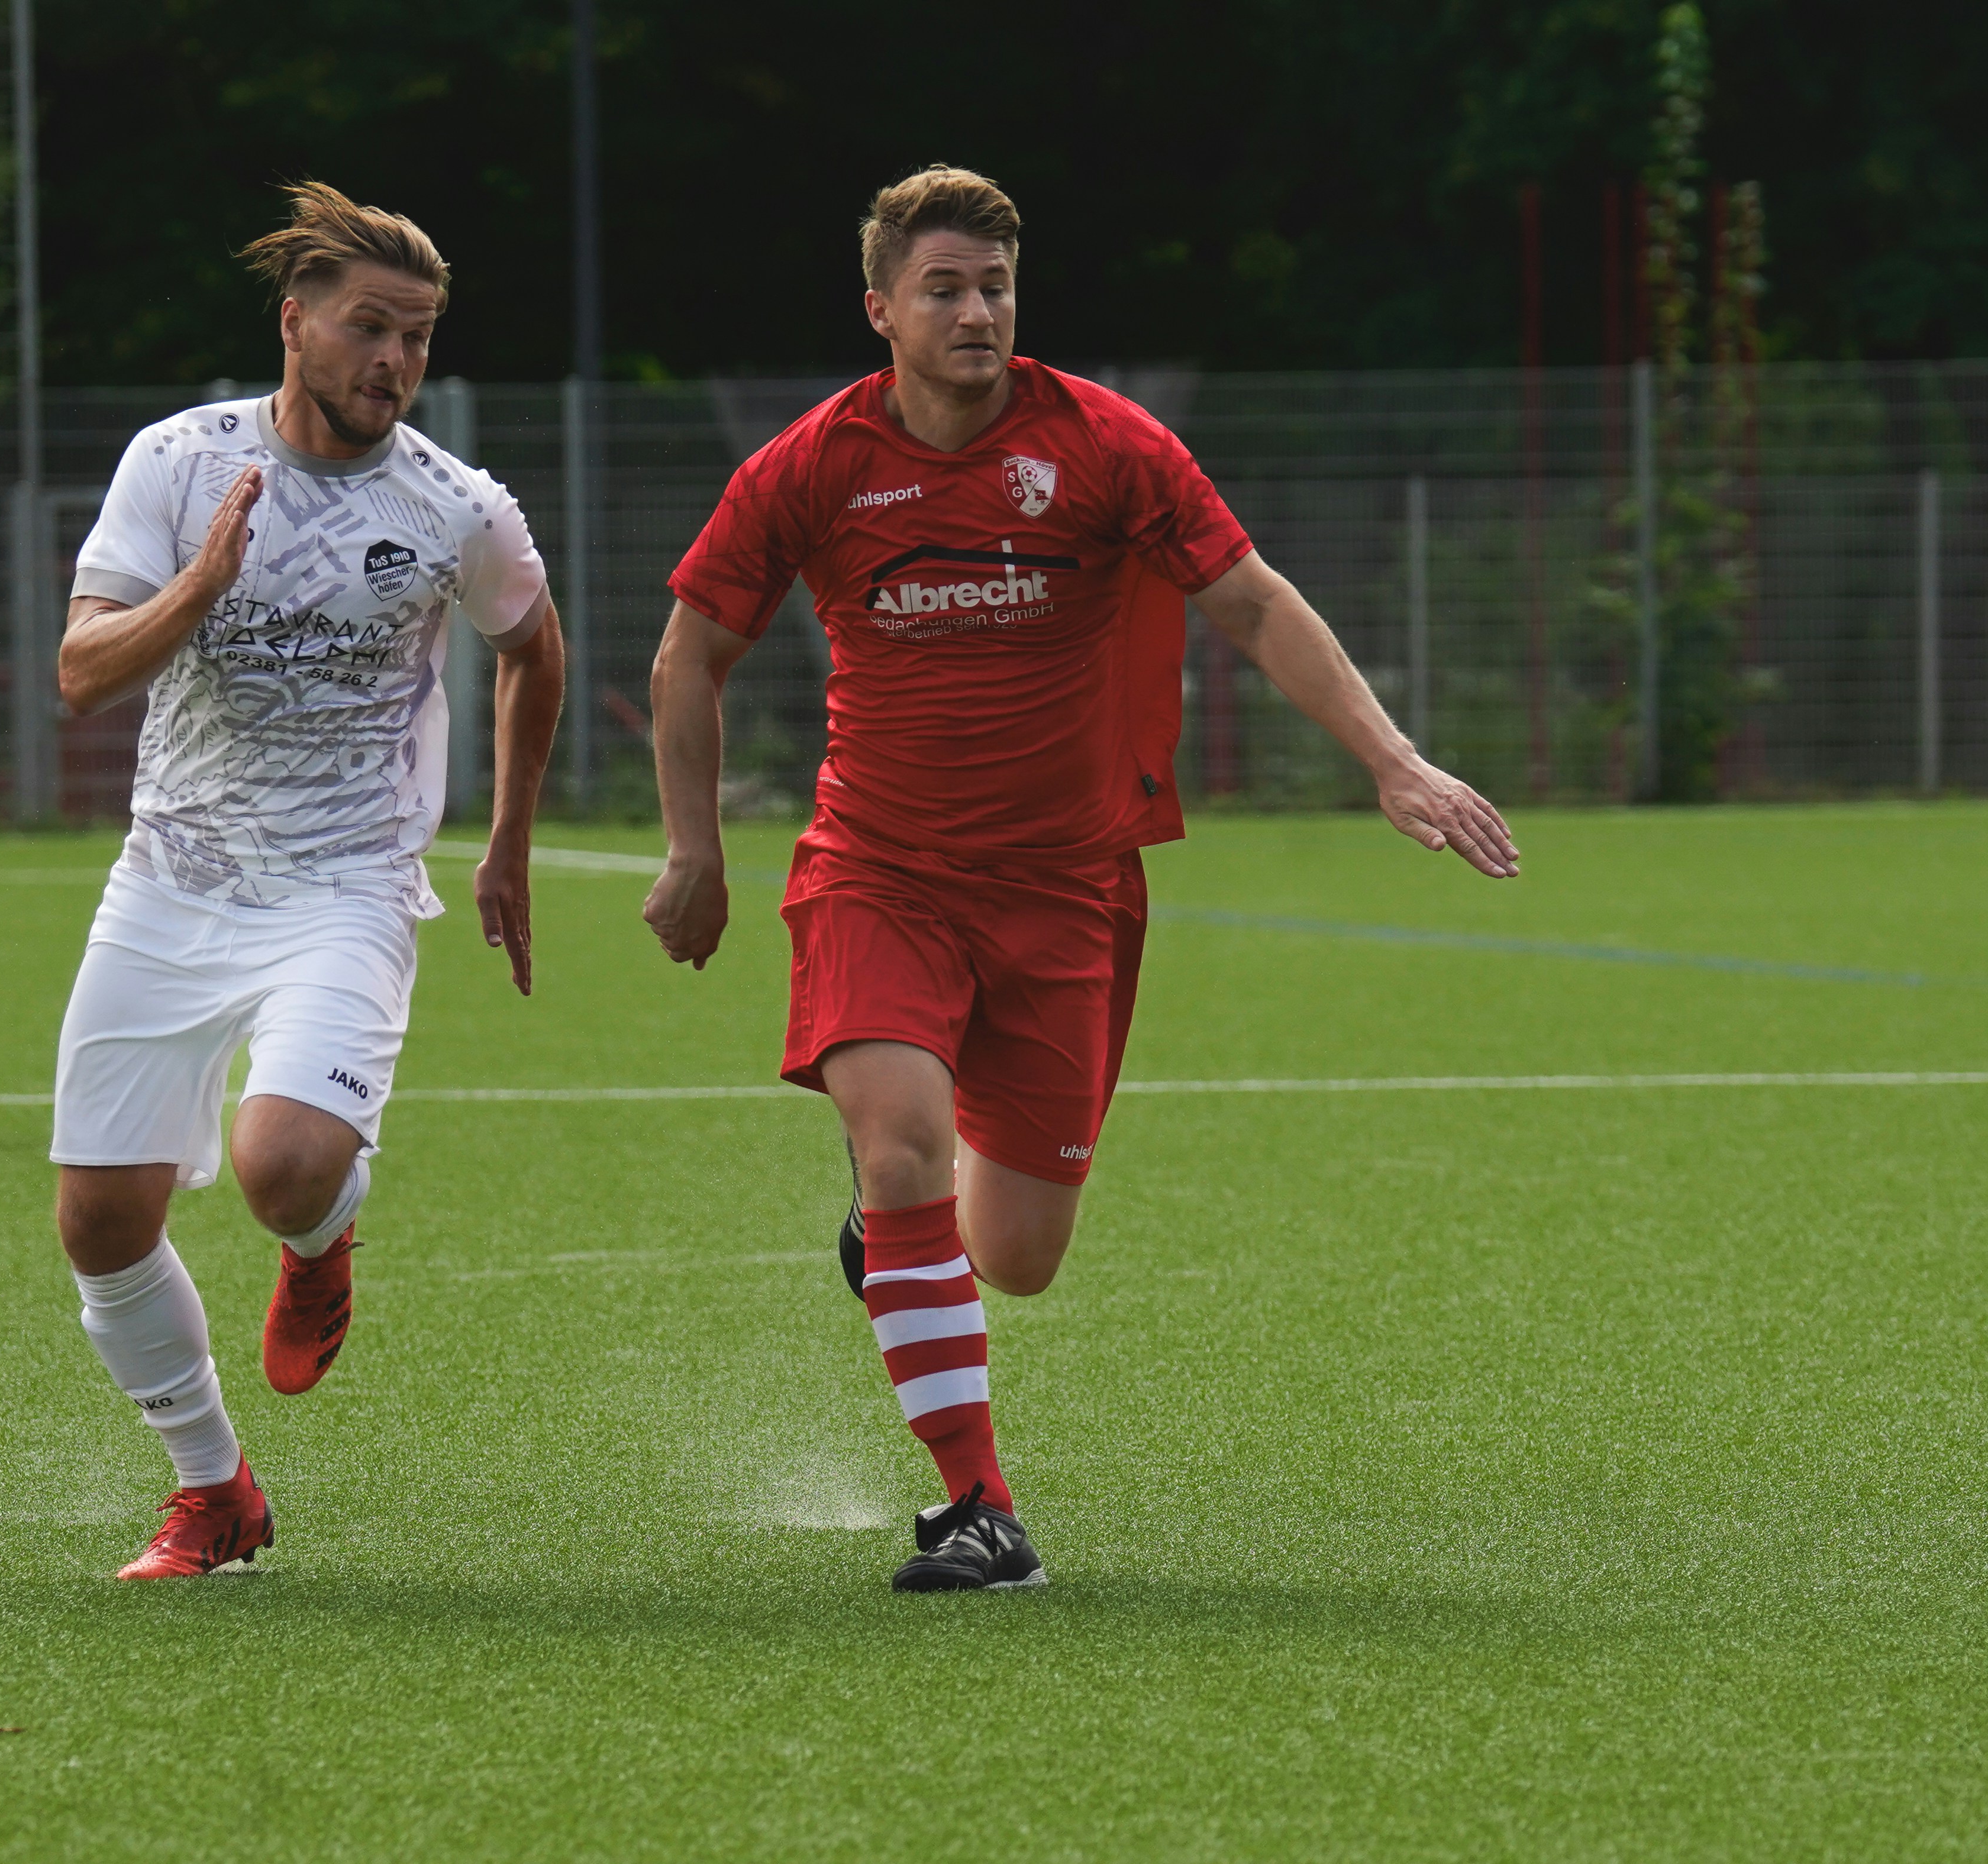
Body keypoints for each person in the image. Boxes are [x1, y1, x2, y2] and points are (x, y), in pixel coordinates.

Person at [644, 165, 1518, 1592]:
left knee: (1019, 1253)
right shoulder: (811, 466)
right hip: (878, 871)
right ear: (880, 311)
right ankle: (977, 1508)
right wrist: (696, 850)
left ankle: (893, 1234)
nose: (976, 312)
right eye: (944, 288)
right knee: (902, 1141)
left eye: (995, 287)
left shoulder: (1105, 445)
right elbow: (692, 653)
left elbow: (1250, 601)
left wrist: (1394, 760)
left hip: (1067, 891)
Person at [49, 182, 563, 1579]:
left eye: (418, 337)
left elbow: (534, 645)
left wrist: (508, 840)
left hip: (346, 882)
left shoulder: (453, 505)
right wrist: (196, 590)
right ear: (295, 324)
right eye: (368, 328)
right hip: (171, 878)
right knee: (100, 1223)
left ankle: (322, 1238)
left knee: (282, 1169)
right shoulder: (178, 462)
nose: (394, 360)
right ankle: (214, 1492)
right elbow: (83, 673)